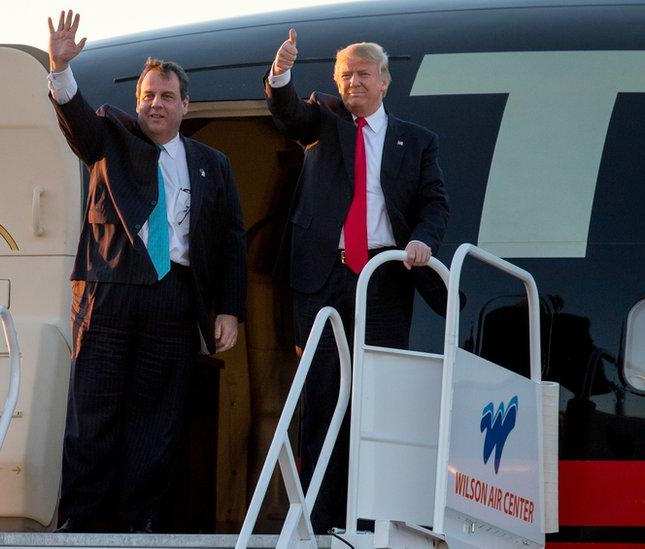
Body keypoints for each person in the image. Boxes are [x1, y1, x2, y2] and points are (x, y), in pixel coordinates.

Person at [47, 10, 246, 532]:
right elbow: (78, 125)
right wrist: (61, 69)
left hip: (175, 297)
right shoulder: (111, 135)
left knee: (155, 423)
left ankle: (140, 526)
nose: (154, 103)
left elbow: (229, 240)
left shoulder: (212, 163)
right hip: (108, 293)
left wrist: (228, 309)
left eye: (165, 96)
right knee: (94, 414)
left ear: (185, 105)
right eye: (147, 94)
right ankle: (81, 528)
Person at [264, 29, 449, 531]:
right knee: (321, 395)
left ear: (385, 81)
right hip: (324, 278)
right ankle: (320, 521)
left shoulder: (417, 141)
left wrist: (424, 240)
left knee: (377, 400)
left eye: (364, 73)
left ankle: (368, 519)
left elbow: (434, 203)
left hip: (384, 278)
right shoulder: (325, 121)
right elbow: (289, 114)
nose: (354, 82)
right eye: (345, 74)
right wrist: (280, 74)